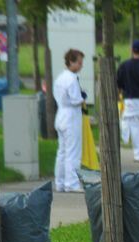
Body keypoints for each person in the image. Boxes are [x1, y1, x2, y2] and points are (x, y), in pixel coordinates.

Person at [53, 49, 86, 193]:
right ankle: (71, 183)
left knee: (62, 152)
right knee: (73, 152)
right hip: (71, 117)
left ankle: (59, 182)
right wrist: (83, 97)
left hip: (60, 114)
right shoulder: (72, 78)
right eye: (79, 62)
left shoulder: (60, 77)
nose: (81, 65)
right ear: (71, 62)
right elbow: (76, 100)